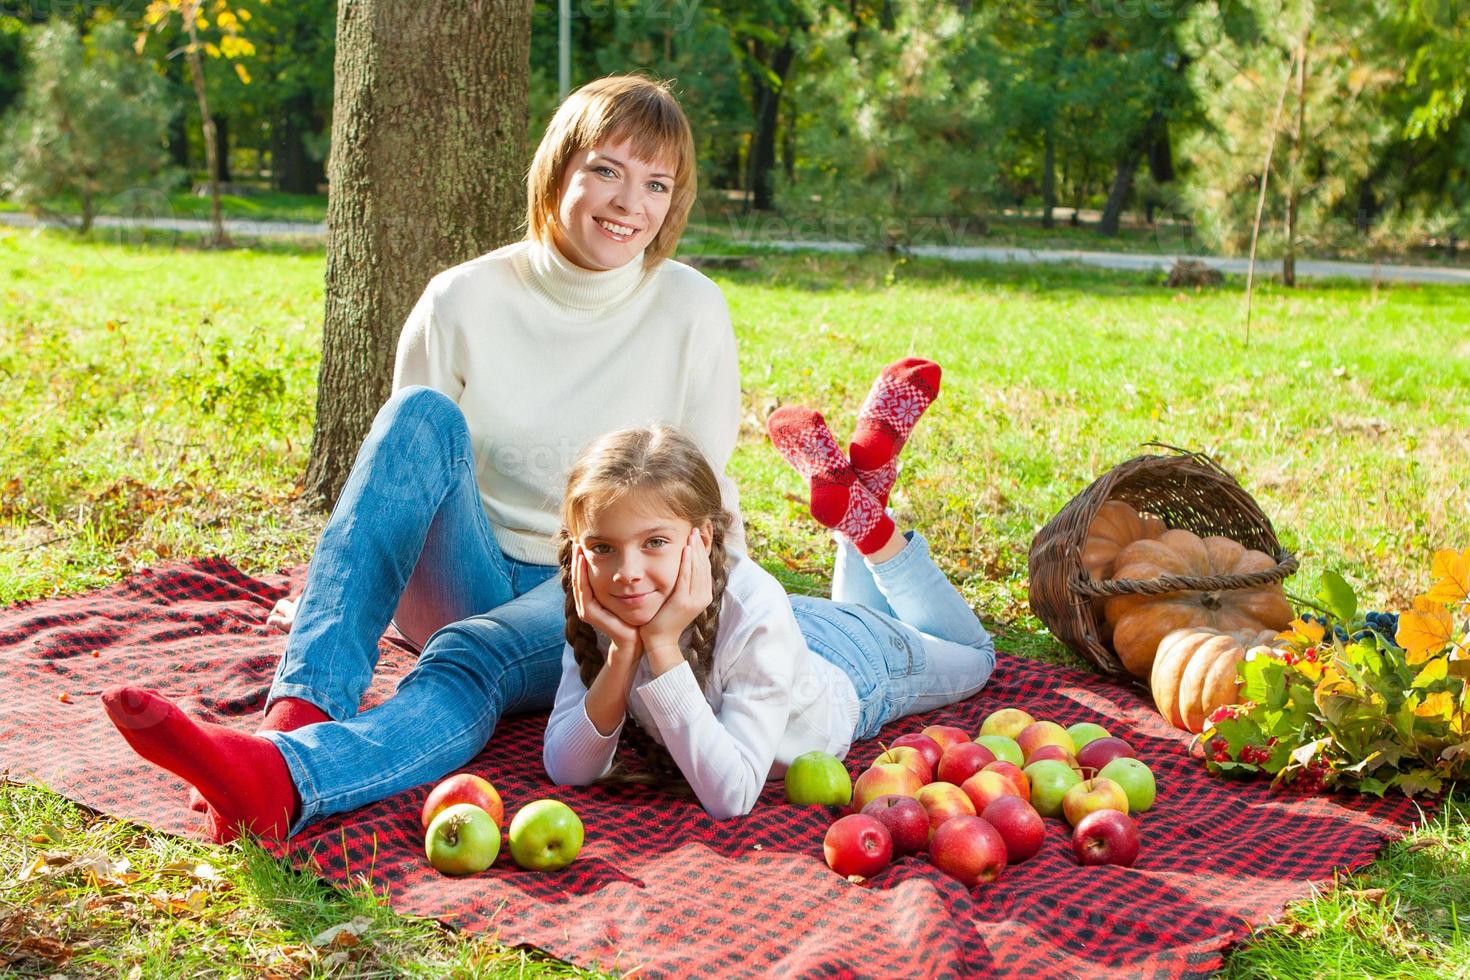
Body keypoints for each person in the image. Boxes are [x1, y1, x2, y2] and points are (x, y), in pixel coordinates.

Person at [100, 74, 745, 841]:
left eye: (657, 183)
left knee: (471, 659)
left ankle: (280, 780)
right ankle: (297, 713)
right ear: (558, 169)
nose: (629, 201)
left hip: (596, 590)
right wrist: (334, 595)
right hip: (459, 570)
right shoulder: (463, 298)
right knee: (418, 413)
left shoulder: (691, 309)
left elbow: (696, 496)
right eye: (606, 168)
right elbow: (400, 475)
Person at [543, 359, 996, 819]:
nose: (627, 572)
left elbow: (732, 796)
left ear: (700, 538)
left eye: (655, 542)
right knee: (859, 611)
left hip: (859, 666)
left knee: (978, 656)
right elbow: (567, 769)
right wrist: (622, 655)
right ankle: (860, 504)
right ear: (579, 547)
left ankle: (871, 529)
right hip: (793, 635)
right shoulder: (600, 601)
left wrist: (659, 645)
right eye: (602, 547)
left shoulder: (753, 605)